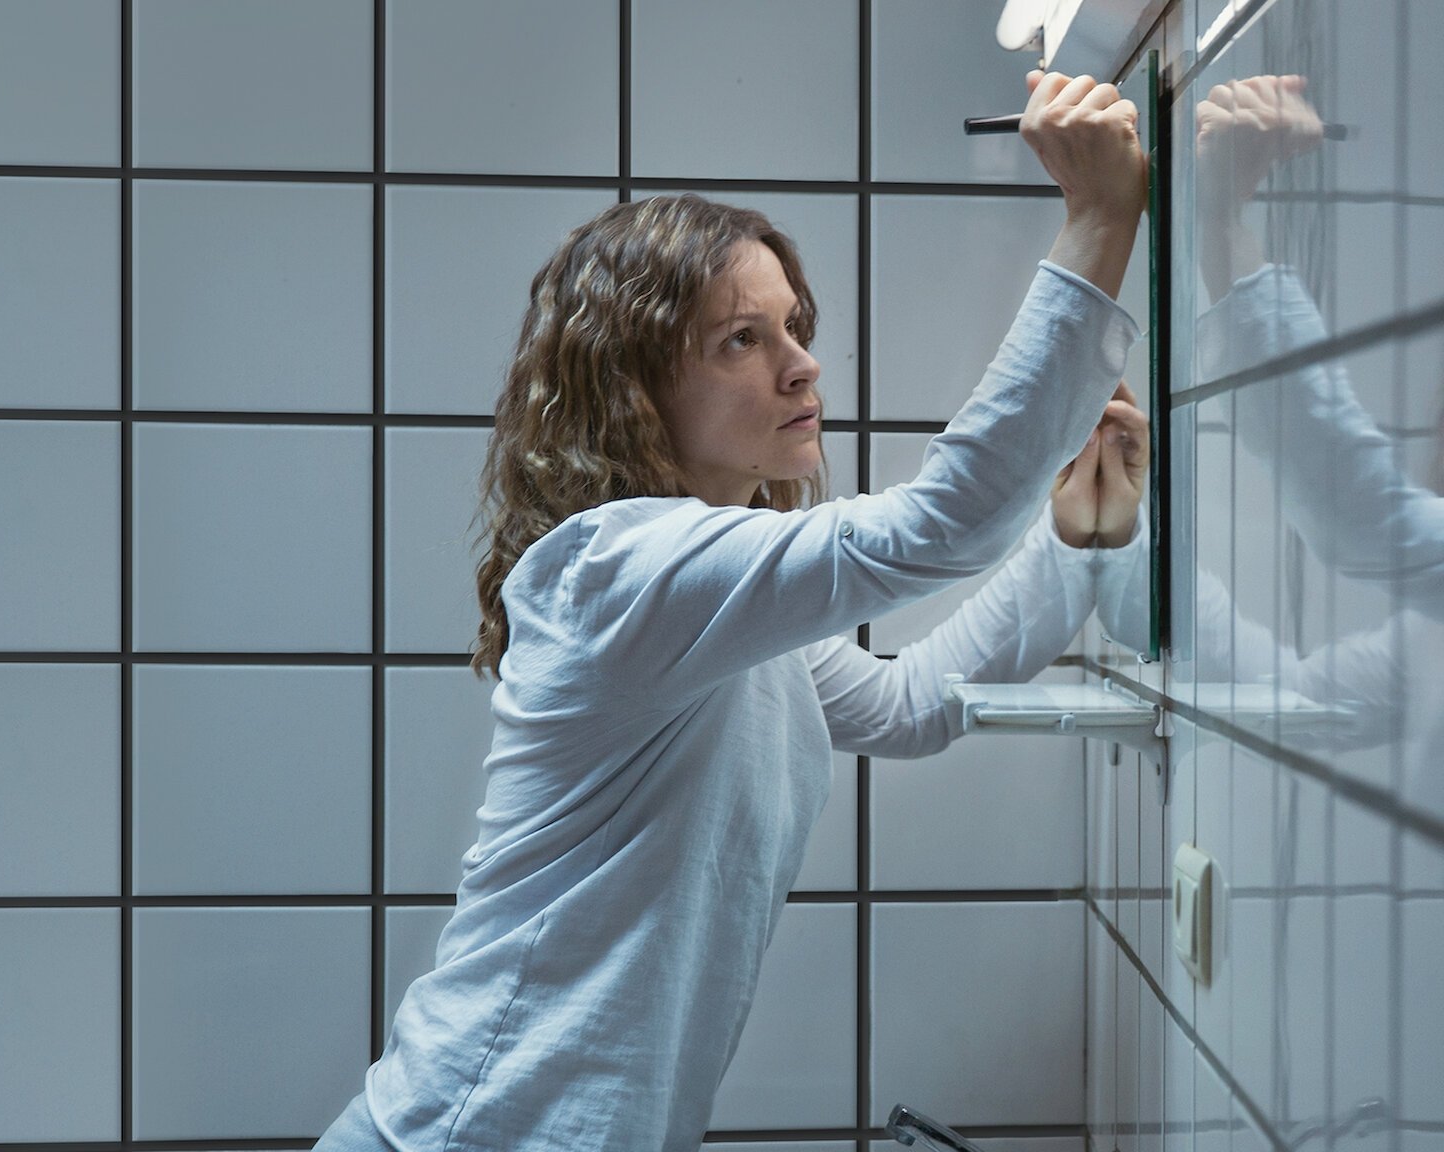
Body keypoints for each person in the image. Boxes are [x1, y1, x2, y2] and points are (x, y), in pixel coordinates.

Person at [313, 70, 1151, 1151]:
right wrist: (1098, 220)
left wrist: (1071, 543)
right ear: (633, 387)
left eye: (792, 326)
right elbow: (938, 525)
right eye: (740, 340)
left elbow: (908, 707)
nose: (803, 365)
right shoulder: (621, 567)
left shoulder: (714, 612)